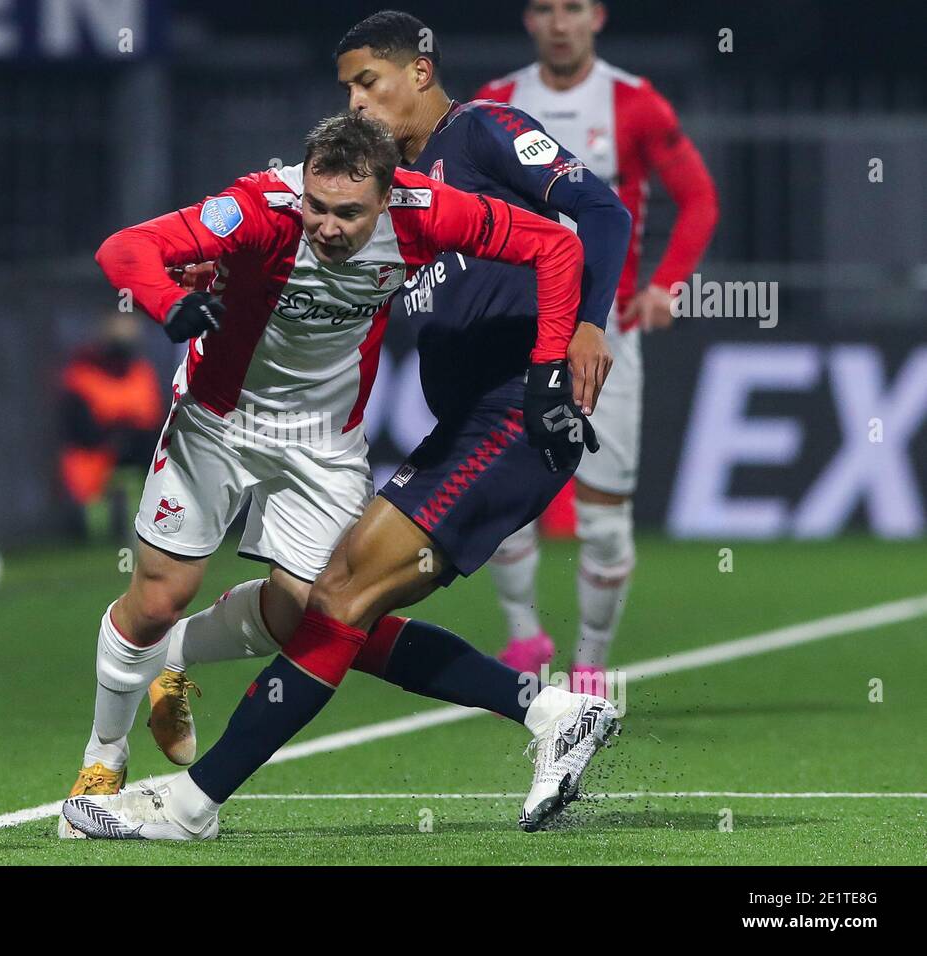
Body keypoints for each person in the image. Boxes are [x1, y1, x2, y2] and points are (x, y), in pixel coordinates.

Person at [61, 12, 632, 841]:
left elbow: (581, 227)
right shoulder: (316, 195)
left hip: (502, 412)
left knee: (340, 601)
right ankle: (549, 712)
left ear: (422, 72)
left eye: (369, 81)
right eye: (346, 90)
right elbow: (144, 249)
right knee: (327, 610)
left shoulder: (465, 156)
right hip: (403, 419)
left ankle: (190, 803)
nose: (358, 101)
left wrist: (573, 338)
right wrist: (193, 284)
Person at [478, 0, 719, 691]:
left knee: (605, 519)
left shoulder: (633, 104)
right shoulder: (495, 104)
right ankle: (525, 641)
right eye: (546, 9)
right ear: (528, 20)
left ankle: (590, 665)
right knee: (501, 501)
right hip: (516, 331)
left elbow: (698, 198)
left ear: (598, 18)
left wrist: (666, 287)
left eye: (573, 8)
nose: (560, 23)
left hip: (604, 332)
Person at [54, 310, 164, 542]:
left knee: (150, 455)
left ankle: (146, 526)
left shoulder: (140, 372)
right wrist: (116, 435)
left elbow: (152, 421)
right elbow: (81, 430)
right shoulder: (82, 375)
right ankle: (96, 534)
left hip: (135, 451)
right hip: (94, 455)